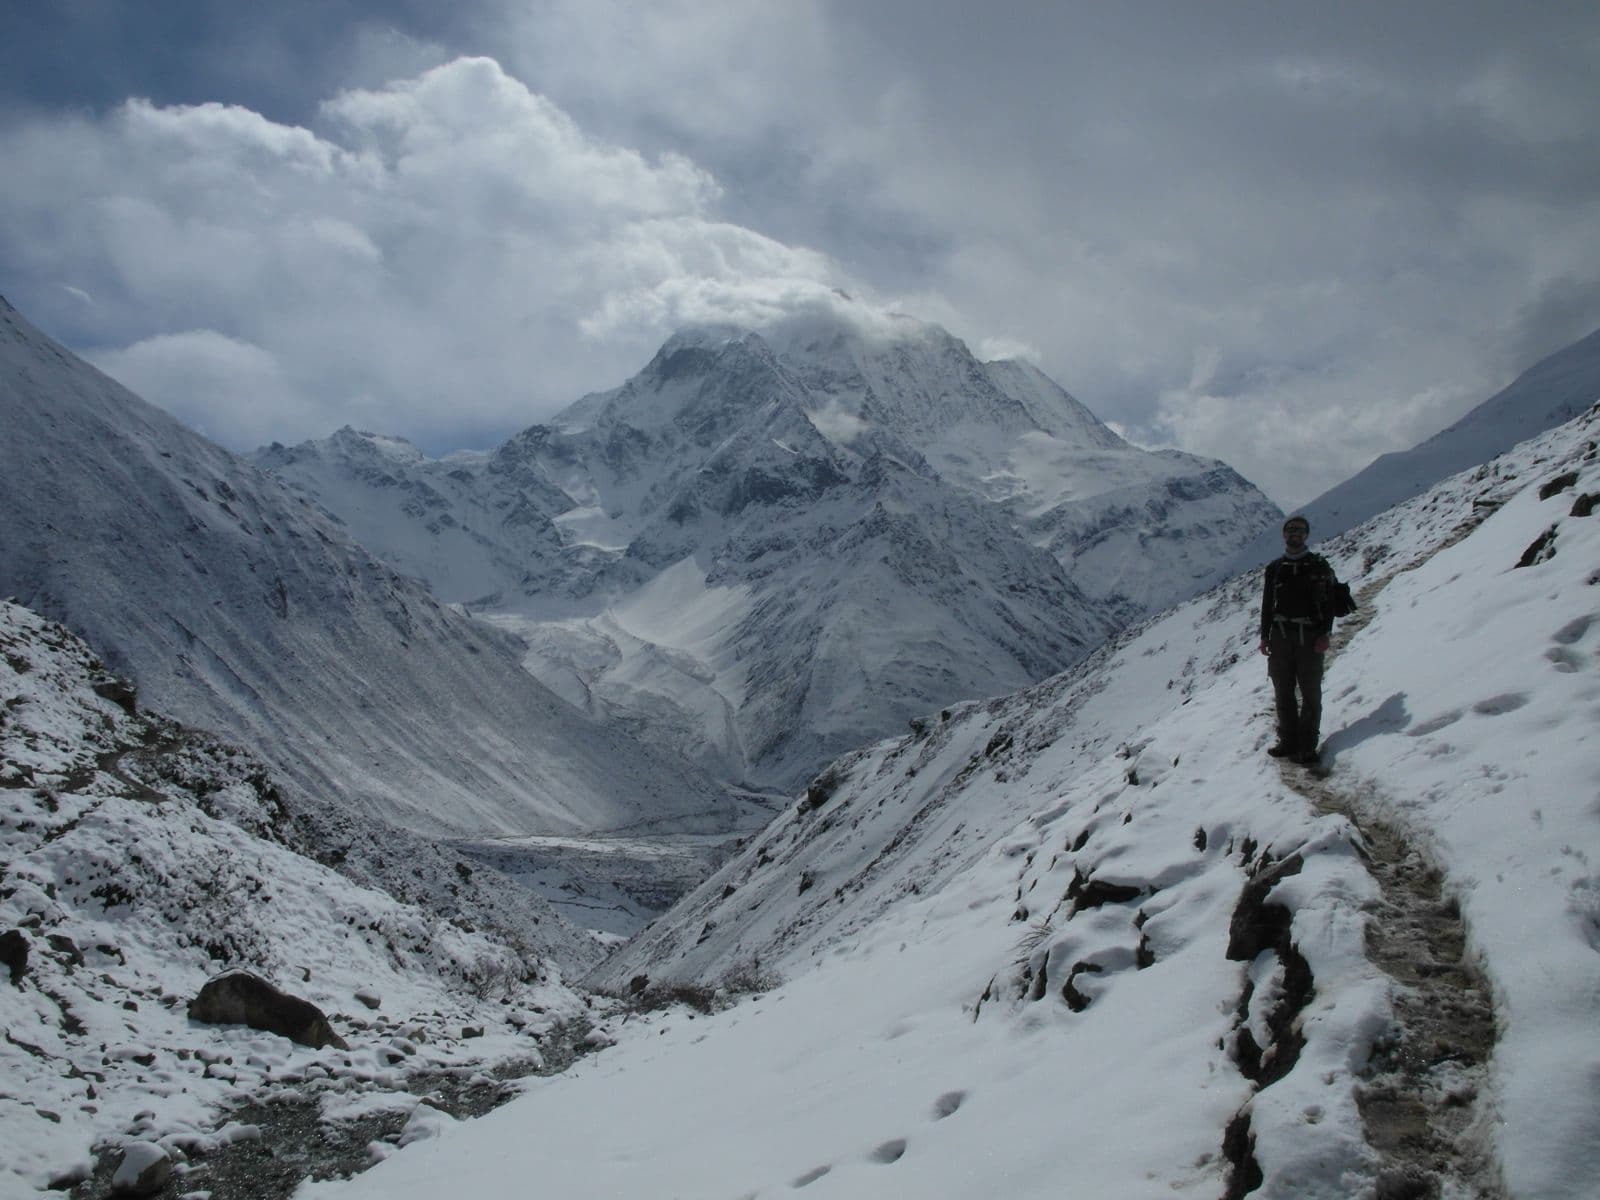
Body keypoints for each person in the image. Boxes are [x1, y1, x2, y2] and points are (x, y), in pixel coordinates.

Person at [1258, 514, 1343, 765]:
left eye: (1300, 531)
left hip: (1310, 637)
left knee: (1310, 692)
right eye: (1291, 530)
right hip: (1280, 636)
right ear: (1284, 535)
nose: (1295, 535)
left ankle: (1307, 745)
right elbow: (1266, 605)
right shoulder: (1274, 568)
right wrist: (1265, 636)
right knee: (1282, 691)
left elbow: (1328, 604)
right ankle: (1288, 741)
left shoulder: (1318, 566)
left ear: (1306, 535)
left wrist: (1325, 634)